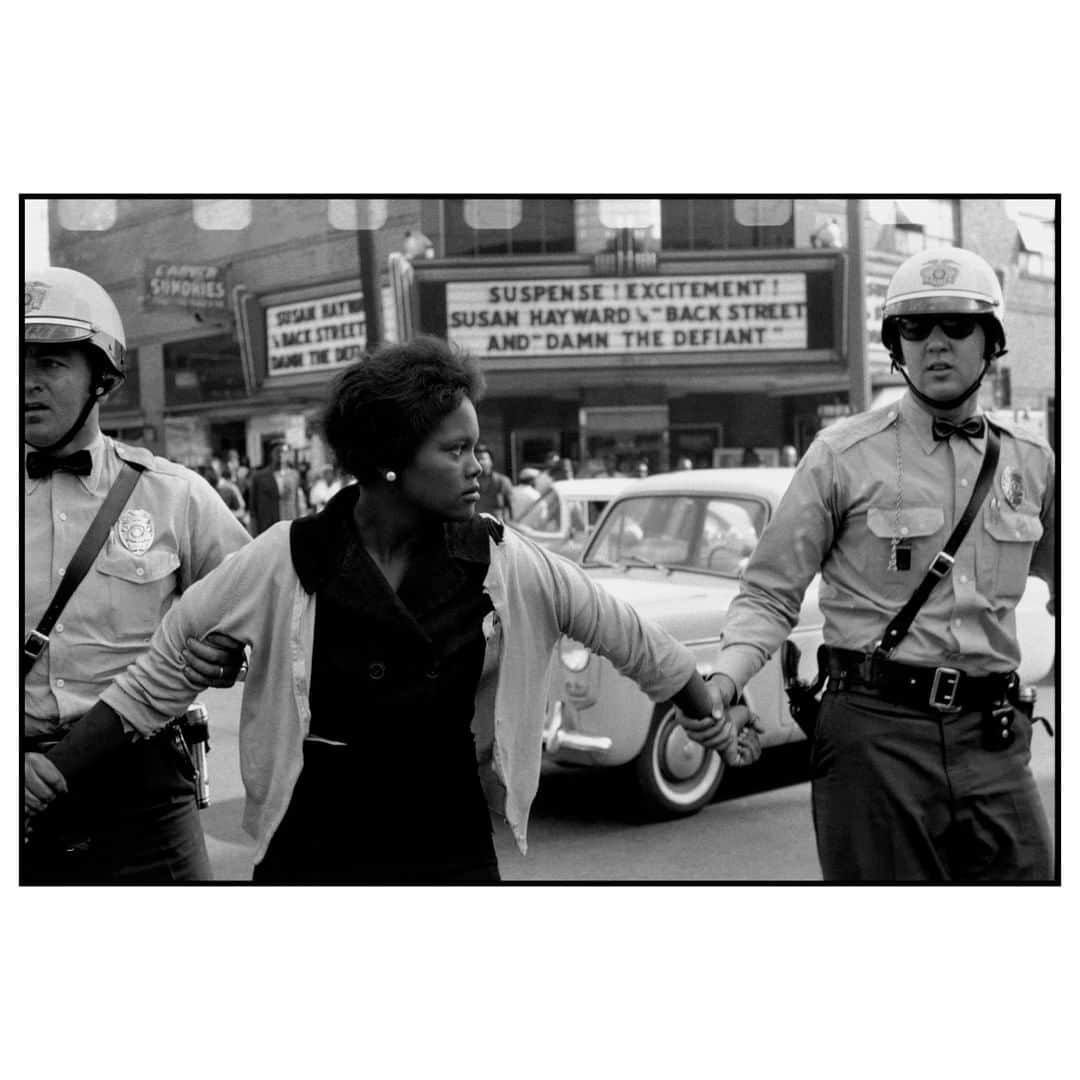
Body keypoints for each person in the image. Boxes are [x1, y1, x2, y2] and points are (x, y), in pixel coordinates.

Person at [31, 336, 761, 884]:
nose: (482, 467)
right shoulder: (288, 556)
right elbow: (157, 677)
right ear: (388, 459)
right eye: (458, 450)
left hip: (444, 829)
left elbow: (628, 636)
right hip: (315, 833)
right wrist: (50, 774)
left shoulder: (503, 560)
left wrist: (706, 710)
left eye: (478, 448)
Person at [696, 246, 1055, 882]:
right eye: (914, 328)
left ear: (992, 342)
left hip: (994, 735)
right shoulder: (841, 454)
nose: (935, 344)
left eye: (956, 325)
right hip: (876, 734)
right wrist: (722, 683)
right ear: (896, 345)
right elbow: (769, 592)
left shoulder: (1033, 460)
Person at [23, 266, 251, 883]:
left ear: (101, 376)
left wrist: (229, 658)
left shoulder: (176, 497)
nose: (25, 383)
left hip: (143, 784)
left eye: (50, 363)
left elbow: (257, 613)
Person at [248, 439, 307, 535]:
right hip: (267, 528)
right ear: (271, 454)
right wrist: (254, 533)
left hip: (289, 526)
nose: (281, 455)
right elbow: (253, 509)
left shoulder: (294, 475)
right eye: (277, 451)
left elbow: (297, 503)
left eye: (284, 452)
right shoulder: (259, 477)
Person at [474, 442, 513, 521]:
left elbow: (510, 507)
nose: (480, 462)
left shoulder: (502, 481)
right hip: (475, 526)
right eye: (477, 459)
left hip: (496, 526)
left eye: (483, 459)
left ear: (491, 461)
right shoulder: (468, 483)